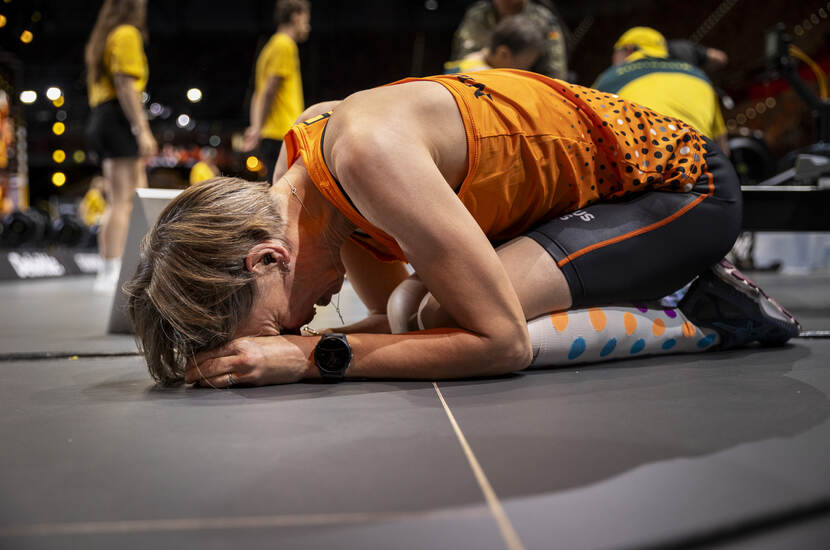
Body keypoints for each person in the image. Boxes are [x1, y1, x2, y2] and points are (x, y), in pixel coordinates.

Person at [125, 69, 799, 388]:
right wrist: (294, 348)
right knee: (411, 307)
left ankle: (705, 311)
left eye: (280, 322)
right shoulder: (304, 181)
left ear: (268, 257)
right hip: (587, 203)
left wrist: (308, 357)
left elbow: (499, 342)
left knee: (451, 308)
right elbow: (397, 324)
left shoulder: (366, 155)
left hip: (684, 185)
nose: (306, 321)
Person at [85, 0, 157, 292]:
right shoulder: (127, 34)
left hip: (104, 116)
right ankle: (112, 269)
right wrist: (142, 130)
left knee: (132, 196)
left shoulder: (105, 37)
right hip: (118, 118)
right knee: (123, 201)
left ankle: (118, 266)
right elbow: (126, 85)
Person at [593, 27, 728, 154]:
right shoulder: (699, 76)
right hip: (700, 165)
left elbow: (586, 130)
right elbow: (721, 144)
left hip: (643, 168)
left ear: (628, 50)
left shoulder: (610, 78)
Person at [242, 0, 311, 182]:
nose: (308, 26)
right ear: (295, 17)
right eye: (306, 20)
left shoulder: (270, 47)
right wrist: (257, 128)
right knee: (285, 193)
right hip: (284, 133)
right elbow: (269, 90)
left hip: (272, 135)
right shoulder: (284, 45)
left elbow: (259, 93)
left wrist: (256, 126)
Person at [452, 0, 568, 80]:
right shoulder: (478, 15)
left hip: (530, 86)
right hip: (483, 80)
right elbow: (464, 56)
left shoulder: (543, 19)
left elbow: (555, 71)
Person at [444, 15, 546, 74]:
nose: (527, 70)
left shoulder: (471, 61)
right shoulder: (480, 76)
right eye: (524, 65)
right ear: (503, 53)